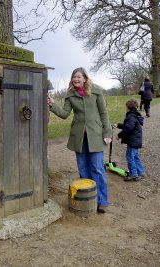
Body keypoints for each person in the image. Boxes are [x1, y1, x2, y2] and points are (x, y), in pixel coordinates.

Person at [47, 67, 112, 213]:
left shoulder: (96, 91)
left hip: (95, 135)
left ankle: (102, 201)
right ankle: (88, 200)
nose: (76, 79)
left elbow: (103, 113)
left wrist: (107, 132)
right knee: (83, 168)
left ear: (85, 78)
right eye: (74, 77)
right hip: (79, 136)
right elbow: (64, 114)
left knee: (97, 168)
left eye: (78, 77)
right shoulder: (70, 94)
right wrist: (52, 104)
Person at [113, 98, 146, 182]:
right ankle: (141, 173)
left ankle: (133, 174)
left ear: (128, 107)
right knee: (135, 157)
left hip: (133, 141)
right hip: (136, 141)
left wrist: (119, 135)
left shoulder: (130, 116)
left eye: (126, 107)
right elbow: (128, 125)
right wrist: (118, 125)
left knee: (130, 157)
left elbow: (128, 128)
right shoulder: (134, 115)